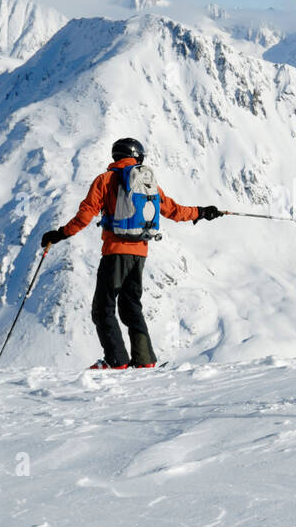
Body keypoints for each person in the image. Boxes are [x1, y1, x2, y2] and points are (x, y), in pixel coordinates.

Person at [41, 137, 222, 369]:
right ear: (138, 156)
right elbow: (173, 210)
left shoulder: (105, 179)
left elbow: (85, 215)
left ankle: (116, 361)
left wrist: (60, 234)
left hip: (115, 253)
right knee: (131, 307)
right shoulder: (147, 183)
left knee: (103, 308)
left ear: (116, 156)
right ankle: (145, 361)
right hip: (140, 254)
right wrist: (201, 212)